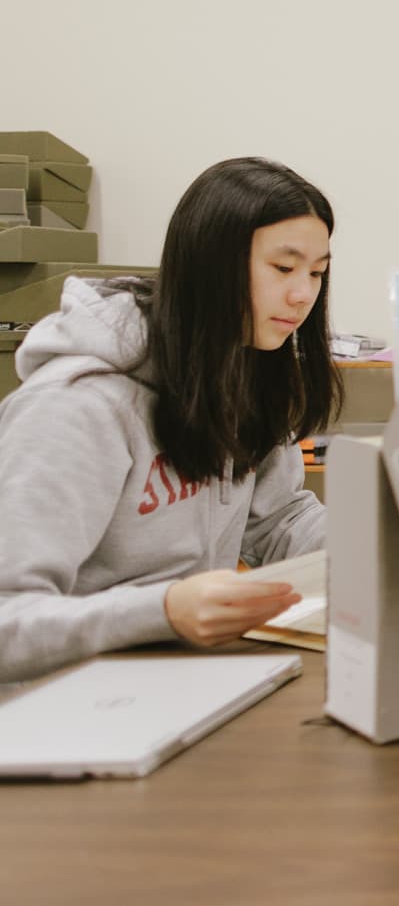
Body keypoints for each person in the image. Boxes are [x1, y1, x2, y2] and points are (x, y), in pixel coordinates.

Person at [0, 157, 336, 683]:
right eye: (283, 268)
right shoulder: (76, 407)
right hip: (61, 708)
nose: (303, 296)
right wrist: (163, 610)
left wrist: (378, 547)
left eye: (316, 273)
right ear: (210, 265)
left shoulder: (241, 372)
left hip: (177, 683)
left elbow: (280, 519)